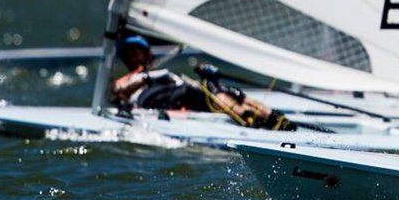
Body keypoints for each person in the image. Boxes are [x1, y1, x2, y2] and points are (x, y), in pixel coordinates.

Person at [109, 35, 289, 129]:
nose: (133, 56)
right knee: (198, 91)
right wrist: (145, 79)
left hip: (176, 92)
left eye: (137, 52)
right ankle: (246, 114)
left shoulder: (158, 72)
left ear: (148, 55)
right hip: (152, 98)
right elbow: (120, 91)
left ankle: (272, 117)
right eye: (129, 53)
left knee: (225, 90)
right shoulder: (127, 78)